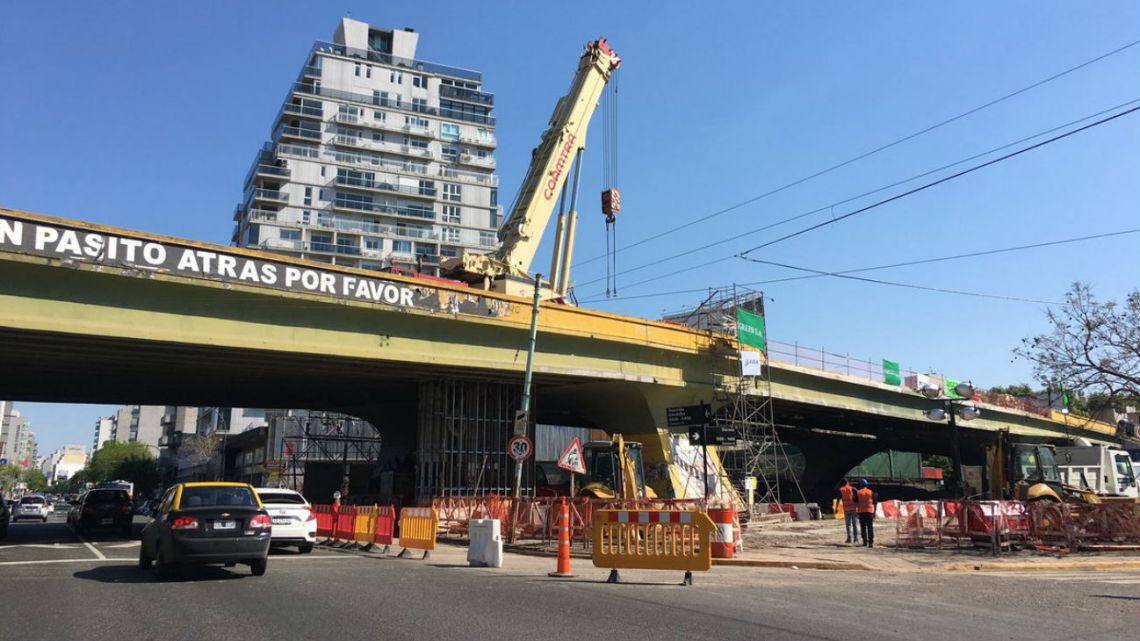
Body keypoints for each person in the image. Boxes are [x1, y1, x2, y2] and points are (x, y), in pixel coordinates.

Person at [837, 478, 859, 545]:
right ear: (848, 483)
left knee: (848, 524)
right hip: (853, 508)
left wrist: (836, 508)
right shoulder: (852, 489)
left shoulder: (841, 490)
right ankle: (855, 539)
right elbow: (858, 496)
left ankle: (849, 538)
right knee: (855, 524)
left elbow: (838, 499)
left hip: (846, 509)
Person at [856, 479, 876, 547]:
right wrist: (874, 512)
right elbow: (875, 502)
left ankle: (865, 542)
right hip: (869, 512)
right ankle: (871, 542)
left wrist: (856, 512)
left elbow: (855, 502)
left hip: (861, 512)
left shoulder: (858, 492)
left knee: (863, 527)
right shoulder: (871, 492)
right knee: (870, 527)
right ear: (867, 484)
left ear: (860, 485)